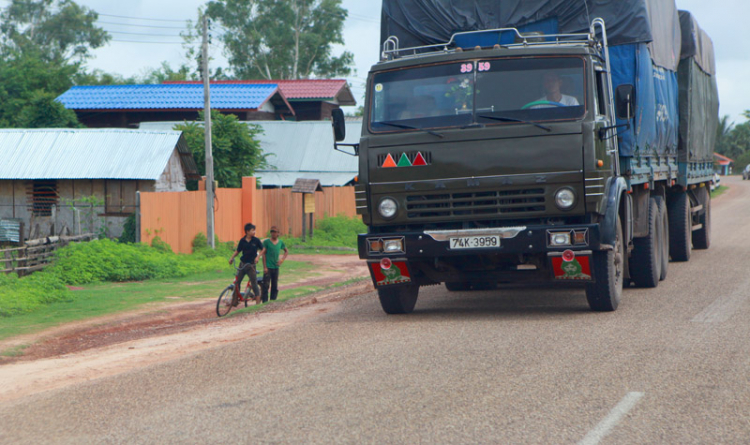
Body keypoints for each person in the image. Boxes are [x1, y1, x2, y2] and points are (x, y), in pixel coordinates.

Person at [228, 223, 266, 306]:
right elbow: (238, 251)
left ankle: (258, 303)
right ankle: (235, 301)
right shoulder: (242, 241)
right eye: (253, 230)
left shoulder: (256, 240)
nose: (254, 232)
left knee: (254, 283)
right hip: (242, 265)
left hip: (251, 265)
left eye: (254, 230)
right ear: (247, 231)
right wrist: (231, 258)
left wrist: (258, 257)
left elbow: (263, 249)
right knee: (237, 282)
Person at [261, 226, 288, 303]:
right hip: (268, 266)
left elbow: (286, 251)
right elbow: (264, 254)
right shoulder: (267, 242)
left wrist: (281, 260)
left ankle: (273, 300)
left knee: (274, 285)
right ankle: (265, 301)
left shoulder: (280, 242)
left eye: (275, 232)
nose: (273, 233)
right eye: (272, 231)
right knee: (265, 285)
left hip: (276, 267)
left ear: (278, 233)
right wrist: (265, 267)